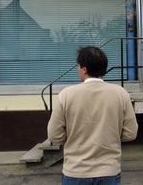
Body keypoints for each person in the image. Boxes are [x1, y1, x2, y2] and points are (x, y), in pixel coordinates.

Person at [48, 46, 138, 185]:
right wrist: (110, 135)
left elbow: (54, 135)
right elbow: (130, 133)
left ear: (84, 69)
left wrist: (72, 137)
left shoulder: (66, 95)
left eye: (78, 66)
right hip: (109, 171)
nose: (78, 69)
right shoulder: (120, 94)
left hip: (75, 171)